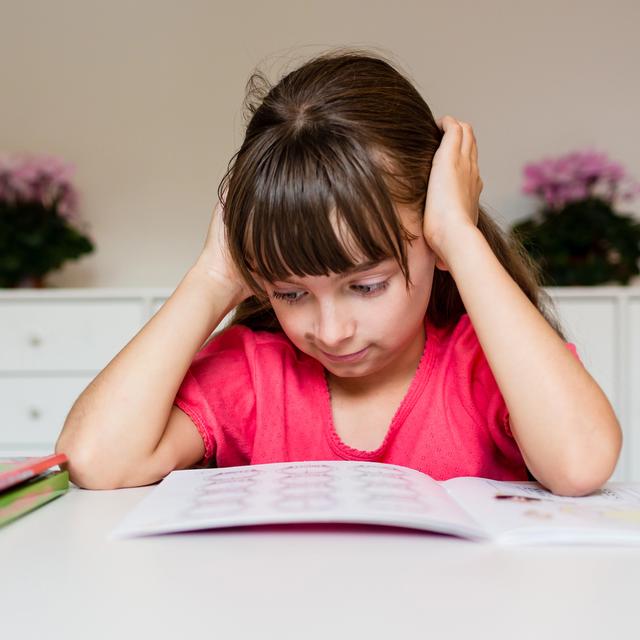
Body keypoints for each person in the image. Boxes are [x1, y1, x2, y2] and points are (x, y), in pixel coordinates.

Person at [55, 47, 622, 496]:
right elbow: (96, 460)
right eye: (292, 293)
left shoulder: (483, 368)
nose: (330, 331)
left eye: (367, 285)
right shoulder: (253, 377)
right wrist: (213, 276)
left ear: (432, 240)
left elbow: (580, 463)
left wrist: (460, 239)